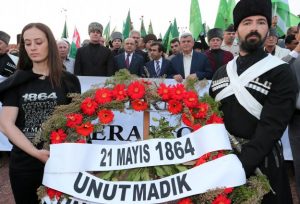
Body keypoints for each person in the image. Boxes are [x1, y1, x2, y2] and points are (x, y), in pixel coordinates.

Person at [209, 0, 297, 203]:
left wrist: (239, 166)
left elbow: (271, 127)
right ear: (237, 29)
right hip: (224, 162)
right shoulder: (221, 72)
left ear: (268, 28)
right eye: (247, 22)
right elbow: (211, 119)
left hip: (263, 165)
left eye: (261, 22)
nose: (254, 28)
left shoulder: (281, 71)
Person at [0, 23, 81, 204]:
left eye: (38, 42)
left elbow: (77, 121)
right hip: (25, 165)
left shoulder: (69, 80)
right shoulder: (17, 81)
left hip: (62, 162)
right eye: (27, 43)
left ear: (49, 44)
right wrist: (36, 153)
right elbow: (6, 124)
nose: (33, 48)